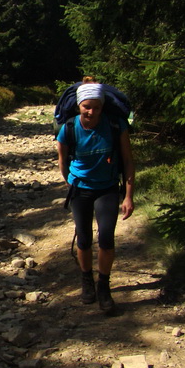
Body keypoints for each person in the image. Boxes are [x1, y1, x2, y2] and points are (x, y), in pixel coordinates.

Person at [56, 77, 135, 313]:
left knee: (107, 238)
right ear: (79, 105)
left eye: (96, 107)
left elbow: (129, 161)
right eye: (86, 107)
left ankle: (104, 286)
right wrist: (71, 181)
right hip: (80, 189)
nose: (91, 112)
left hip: (108, 188)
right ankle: (86, 281)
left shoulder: (115, 125)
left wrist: (129, 196)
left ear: (102, 107)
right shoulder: (68, 128)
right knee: (83, 238)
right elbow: (62, 161)